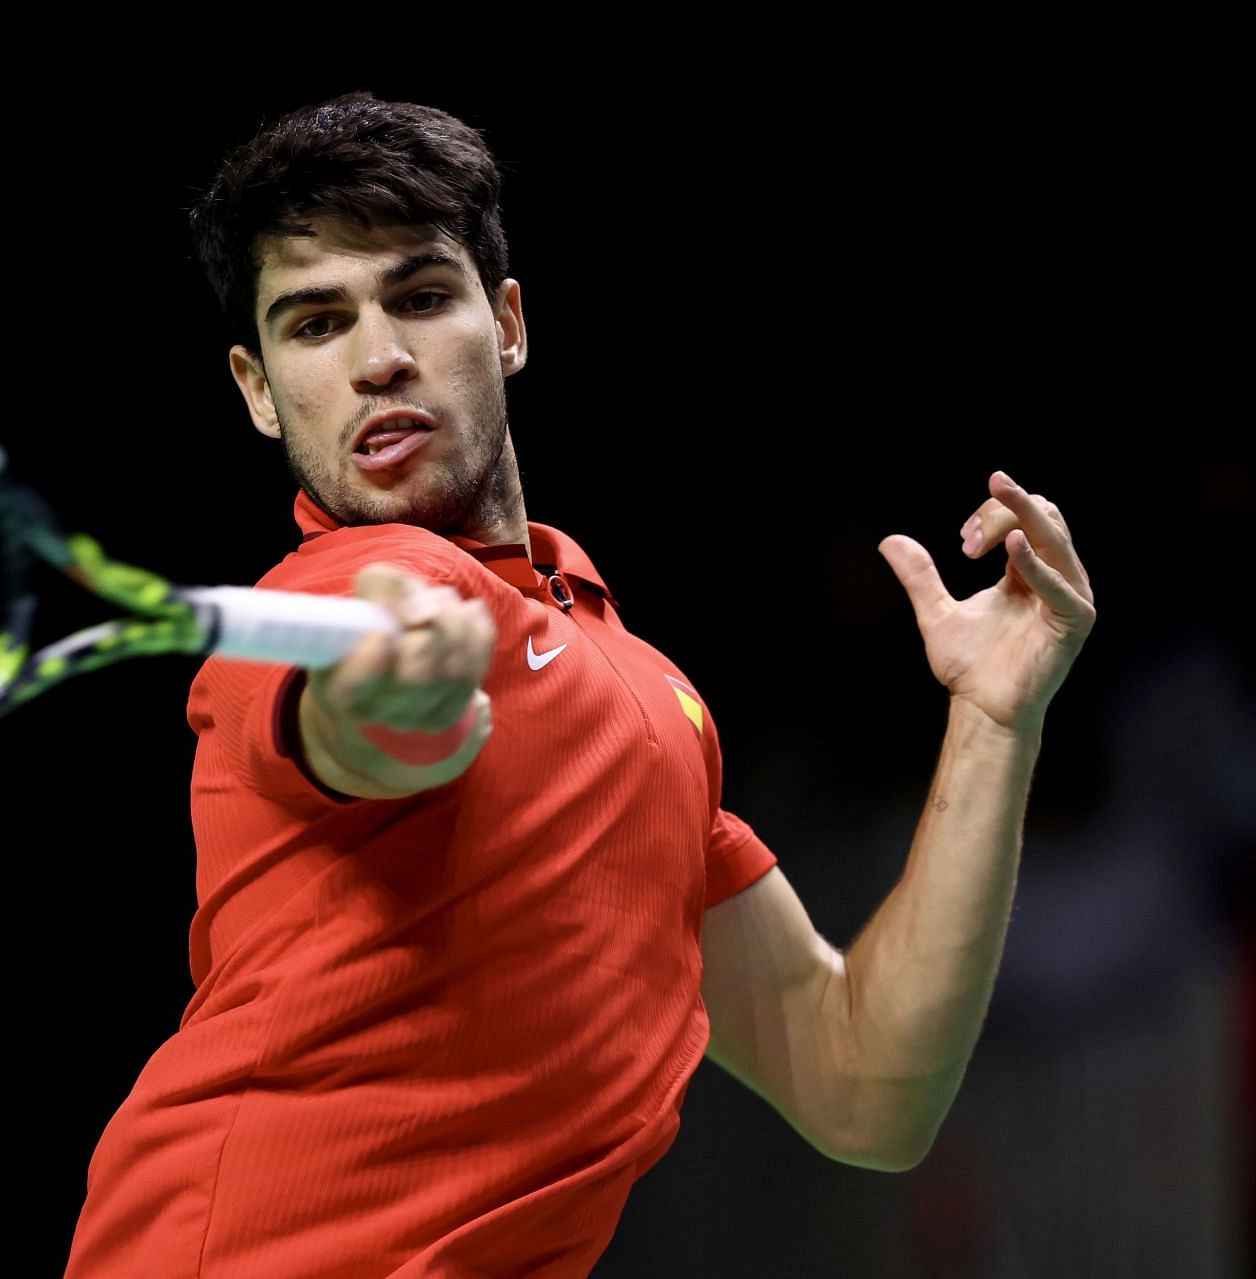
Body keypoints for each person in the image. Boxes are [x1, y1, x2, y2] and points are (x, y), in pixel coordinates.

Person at [63, 91, 1096, 1278]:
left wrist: (997, 714)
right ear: (256, 389)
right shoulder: (335, 598)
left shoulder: (648, 693)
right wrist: (400, 692)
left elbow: (864, 1085)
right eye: (314, 323)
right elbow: (363, 709)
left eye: (419, 296)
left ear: (507, 324)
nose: (378, 358)